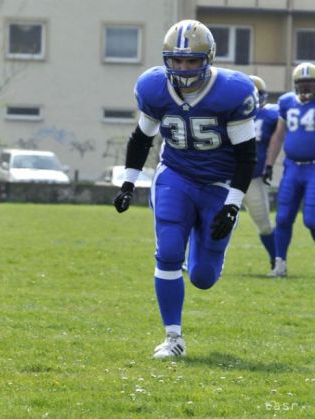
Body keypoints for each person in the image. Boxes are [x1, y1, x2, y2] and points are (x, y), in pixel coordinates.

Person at [112, 20, 258, 359]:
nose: (183, 68)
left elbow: (246, 155)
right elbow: (141, 138)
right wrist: (128, 182)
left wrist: (233, 204)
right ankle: (173, 337)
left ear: (207, 59)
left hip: (219, 183)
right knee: (168, 251)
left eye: (191, 61)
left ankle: (204, 256)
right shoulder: (153, 87)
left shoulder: (232, 92)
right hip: (175, 176)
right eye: (177, 60)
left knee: (204, 277)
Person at [263, 62, 315, 277]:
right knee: (283, 218)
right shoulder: (285, 102)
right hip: (292, 168)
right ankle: (280, 263)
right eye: (301, 84)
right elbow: (278, 136)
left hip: (314, 168)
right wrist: (268, 164)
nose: (305, 88)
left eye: (309, 83)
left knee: (311, 219)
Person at [243, 75, 279, 272]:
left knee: (264, 224)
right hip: (223, 176)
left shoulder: (271, 115)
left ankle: (277, 261)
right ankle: (194, 261)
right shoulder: (225, 112)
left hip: (253, 178)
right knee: (206, 220)